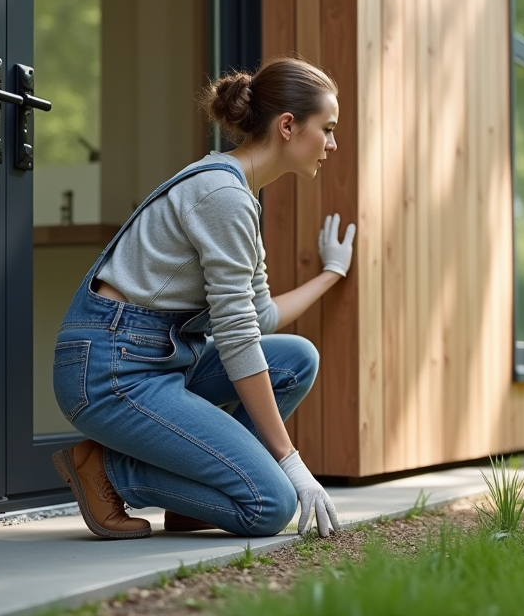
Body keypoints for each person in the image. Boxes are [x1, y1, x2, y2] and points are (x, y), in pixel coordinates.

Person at [51, 57, 355, 540]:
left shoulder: (239, 195)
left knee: (296, 358)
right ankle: (108, 470)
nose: (333, 145)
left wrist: (332, 273)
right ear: (288, 126)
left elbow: (258, 317)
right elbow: (237, 339)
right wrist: (291, 465)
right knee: (270, 506)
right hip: (110, 369)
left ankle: (204, 495)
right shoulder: (223, 196)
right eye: (329, 129)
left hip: (156, 356)